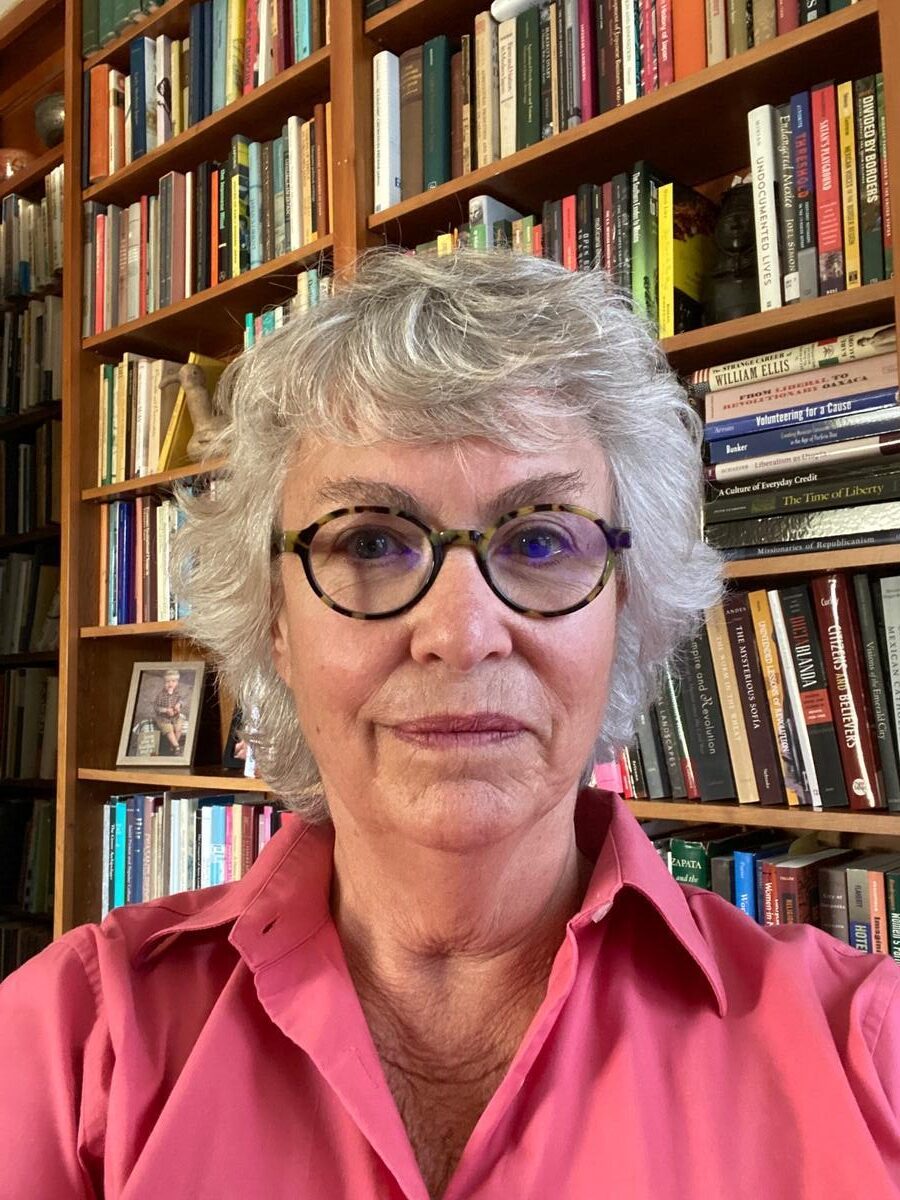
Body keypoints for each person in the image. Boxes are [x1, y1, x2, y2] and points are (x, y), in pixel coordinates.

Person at [2, 248, 899, 1200]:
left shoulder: (863, 1056)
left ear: (627, 604)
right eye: (372, 542)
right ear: (274, 613)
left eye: (543, 538)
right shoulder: (72, 1044)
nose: (463, 634)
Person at [150, 667, 189, 754]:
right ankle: (177, 747)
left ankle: (172, 746)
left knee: (178, 727)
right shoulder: (160, 695)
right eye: (168, 682)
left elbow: (182, 700)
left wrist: (179, 705)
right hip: (163, 718)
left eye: (173, 681)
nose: (170, 684)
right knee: (169, 729)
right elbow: (156, 707)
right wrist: (165, 710)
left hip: (175, 716)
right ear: (164, 683)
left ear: (177, 683)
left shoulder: (177, 693)